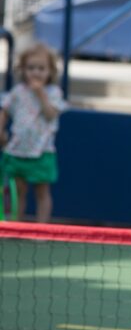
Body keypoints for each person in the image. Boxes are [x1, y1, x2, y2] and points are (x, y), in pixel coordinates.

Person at [0, 42, 66, 222]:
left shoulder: (54, 92)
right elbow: (5, 110)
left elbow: (51, 114)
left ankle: (41, 230)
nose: (36, 72)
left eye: (41, 68)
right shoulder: (17, 92)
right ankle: (15, 226)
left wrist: (41, 94)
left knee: (42, 193)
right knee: (18, 193)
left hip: (42, 152)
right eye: (31, 68)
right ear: (22, 69)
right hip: (18, 151)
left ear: (50, 71)